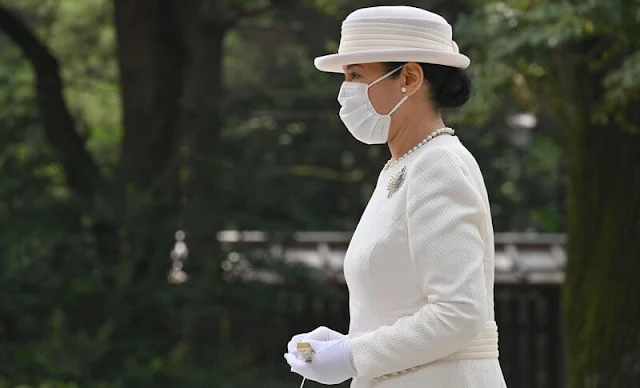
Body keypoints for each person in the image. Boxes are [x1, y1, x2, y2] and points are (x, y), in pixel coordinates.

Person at [283, 5, 507, 388]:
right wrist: (348, 345)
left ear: (409, 77)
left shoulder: (440, 164)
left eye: (356, 74)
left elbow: (459, 312)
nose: (345, 90)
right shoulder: (404, 166)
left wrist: (354, 355)